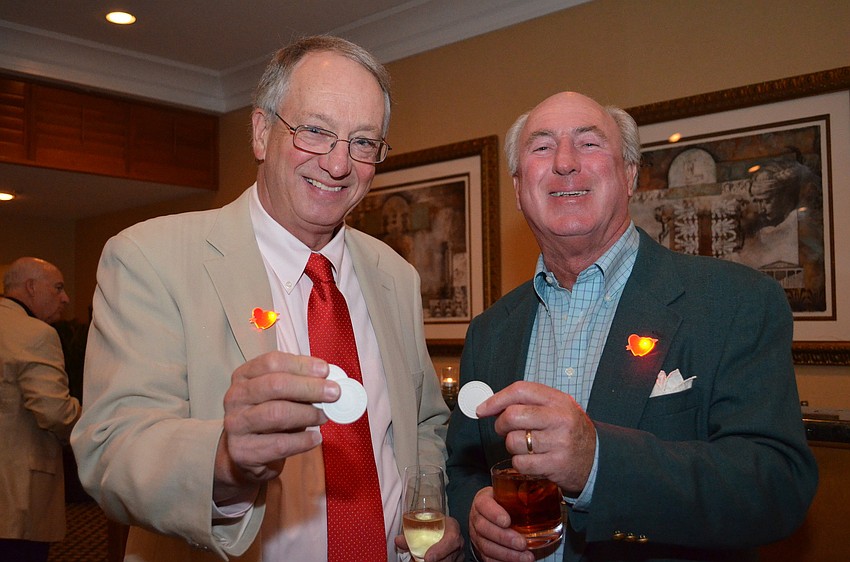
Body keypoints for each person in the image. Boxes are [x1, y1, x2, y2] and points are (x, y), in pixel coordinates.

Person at [71, 36, 462, 562]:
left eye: (363, 142)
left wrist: (430, 508)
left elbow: (422, 424)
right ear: (261, 133)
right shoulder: (150, 256)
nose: (339, 163)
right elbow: (112, 450)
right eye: (316, 132)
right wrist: (227, 461)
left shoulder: (395, 274)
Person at [445, 92, 818, 562]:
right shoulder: (489, 331)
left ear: (629, 176)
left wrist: (599, 462)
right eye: (541, 148)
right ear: (519, 188)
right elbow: (464, 468)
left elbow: (777, 486)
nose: (564, 162)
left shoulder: (735, 302)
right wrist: (475, 515)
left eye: (589, 144)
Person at [1, 257, 81, 562]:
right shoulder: (36, 334)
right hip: (15, 498)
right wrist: (97, 419)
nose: (65, 298)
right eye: (58, 287)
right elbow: (55, 413)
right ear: (31, 287)